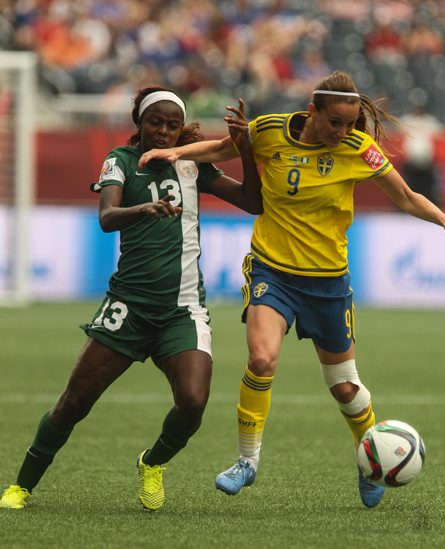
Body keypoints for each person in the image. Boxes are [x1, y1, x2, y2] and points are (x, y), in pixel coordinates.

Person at [137, 70, 445, 509]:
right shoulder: (269, 131)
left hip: (328, 282)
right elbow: (224, 149)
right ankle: (247, 461)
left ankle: (371, 460)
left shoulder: (360, 149)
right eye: (335, 123)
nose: (343, 133)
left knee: (344, 387)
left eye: (350, 124)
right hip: (273, 270)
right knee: (262, 359)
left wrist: (444, 219)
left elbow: (404, 196)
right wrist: (175, 153)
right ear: (312, 112)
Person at [0, 86, 262, 511]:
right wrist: (144, 209)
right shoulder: (119, 161)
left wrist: (245, 148)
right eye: (155, 122)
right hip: (128, 309)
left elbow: (253, 202)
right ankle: (22, 486)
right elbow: (106, 217)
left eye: (172, 125)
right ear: (139, 123)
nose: (163, 131)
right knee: (74, 404)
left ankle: (152, 462)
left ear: (181, 129)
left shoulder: (192, 164)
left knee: (193, 403)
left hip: (182, 311)